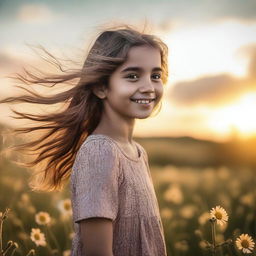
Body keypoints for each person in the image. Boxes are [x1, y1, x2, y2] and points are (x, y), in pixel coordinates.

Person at [0, 24, 169, 255]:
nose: (149, 87)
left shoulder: (137, 152)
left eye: (156, 75)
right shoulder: (100, 151)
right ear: (101, 87)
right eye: (132, 76)